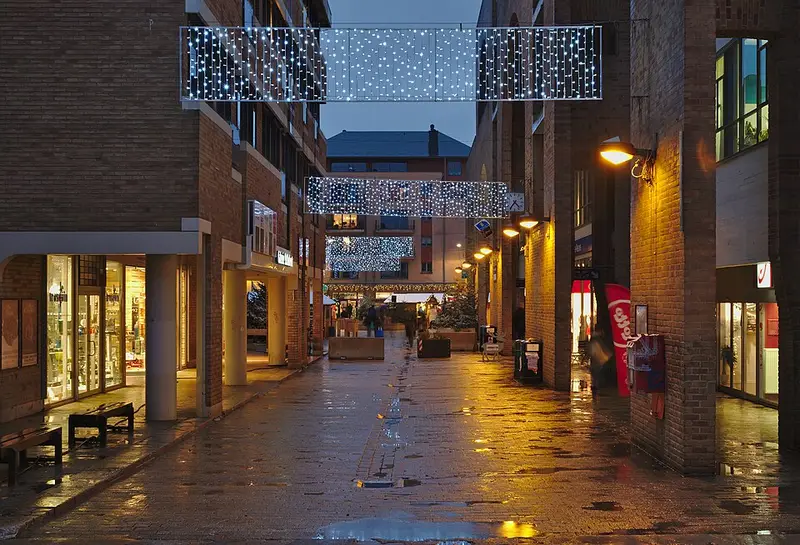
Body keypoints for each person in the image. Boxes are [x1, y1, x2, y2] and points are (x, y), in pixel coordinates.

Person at [586, 329, 612, 399]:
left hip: (596, 362)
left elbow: (592, 353)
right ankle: (596, 386)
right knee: (596, 374)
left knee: (595, 374)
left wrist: (586, 359)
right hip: (599, 362)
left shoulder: (594, 344)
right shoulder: (598, 343)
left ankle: (596, 387)